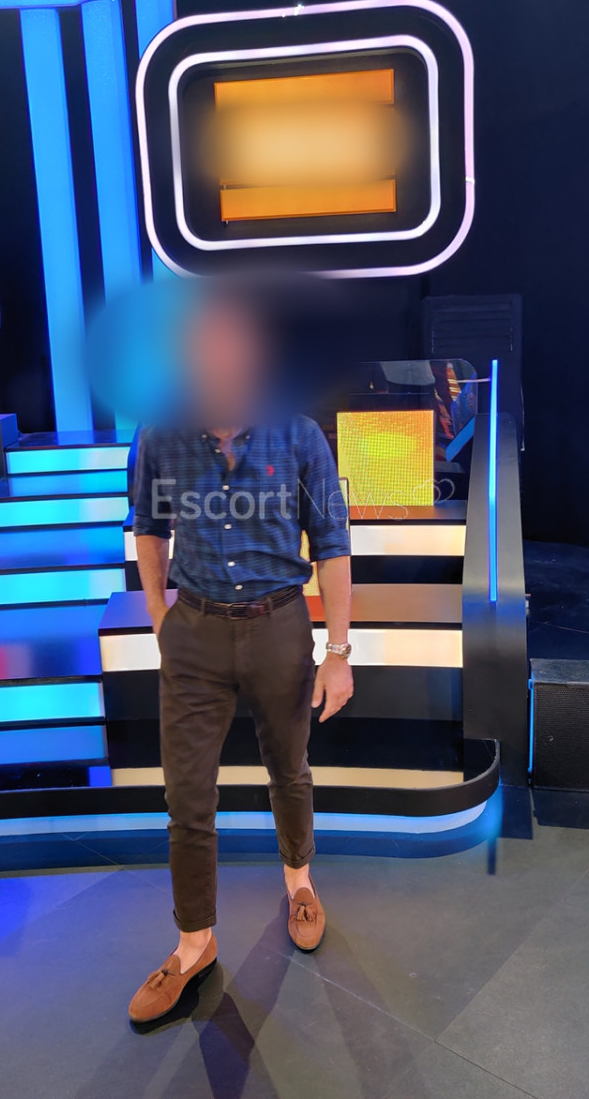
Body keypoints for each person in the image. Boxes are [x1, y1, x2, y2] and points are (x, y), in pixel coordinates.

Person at [127, 283, 353, 1023]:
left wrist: (338, 651)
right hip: (193, 633)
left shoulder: (301, 435)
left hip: (279, 626)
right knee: (187, 797)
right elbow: (148, 528)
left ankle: (299, 884)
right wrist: (160, 616)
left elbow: (333, 545)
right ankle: (194, 945)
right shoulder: (159, 435)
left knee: (289, 767)